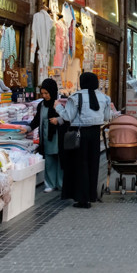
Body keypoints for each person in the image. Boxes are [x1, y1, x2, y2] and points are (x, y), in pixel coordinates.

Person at [53, 72, 112, 208]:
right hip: (95, 134)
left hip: (80, 133)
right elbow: (107, 117)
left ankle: (82, 198)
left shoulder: (75, 97)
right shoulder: (104, 98)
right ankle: (91, 195)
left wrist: (58, 107)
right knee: (93, 164)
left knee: (80, 165)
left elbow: (68, 116)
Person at [30, 79, 62, 193]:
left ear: (52, 91)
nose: (44, 96)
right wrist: (27, 128)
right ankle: (50, 183)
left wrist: (58, 120)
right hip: (46, 137)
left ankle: (61, 184)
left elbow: (67, 118)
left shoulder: (59, 103)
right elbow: (37, 120)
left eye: (46, 93)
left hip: (59, 136)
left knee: (60, 160)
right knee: (49, 160)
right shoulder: (41, 105)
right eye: (42, 93)